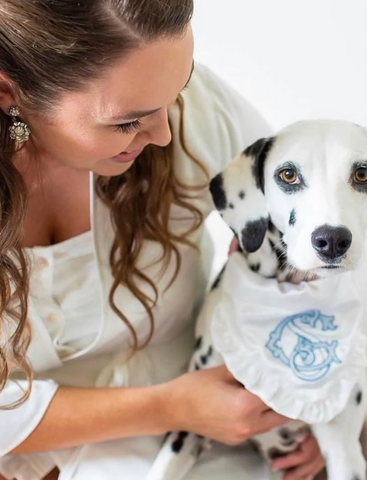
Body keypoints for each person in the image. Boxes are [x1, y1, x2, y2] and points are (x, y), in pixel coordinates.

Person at [0, 1, 325, 479]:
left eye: (179, 89)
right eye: (127, 122)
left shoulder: (193, 111)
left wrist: (311, 391)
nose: (166, 134)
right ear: (9, 92)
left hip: (215, 428)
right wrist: (170, 407)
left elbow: (307, 223)